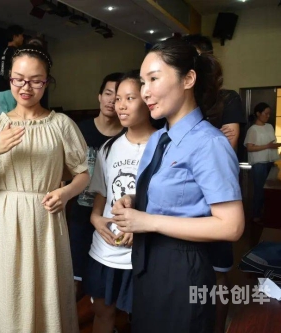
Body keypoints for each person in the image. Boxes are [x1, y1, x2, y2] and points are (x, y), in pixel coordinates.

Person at [112, 38, 245, 333]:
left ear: (188, 79)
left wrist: (148, 221)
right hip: (148, 262)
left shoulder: (209, 143)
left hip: (183, 270)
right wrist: (133, 200)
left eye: (154, 79)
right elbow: (164, 193)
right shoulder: (160, 138)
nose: (145, 91)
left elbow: (231, 226)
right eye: (142, 81)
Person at [0, 44, 90, 332]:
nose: (26, 87)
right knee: (9, 289)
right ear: (9, 78)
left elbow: (83, 175)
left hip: (47, 215)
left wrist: (66, 192)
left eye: (36, 80)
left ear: (47, 82)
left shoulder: (61, 124)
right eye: (18, 79)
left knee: (48, 288)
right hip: (7, 216)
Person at [183, 33, 247, 333]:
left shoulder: (228, 99)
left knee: (218, 276)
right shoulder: (176, 104)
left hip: (216, 201)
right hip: (183, 205)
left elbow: (227, 144)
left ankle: (218, 327)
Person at [85, 70, 157, 333]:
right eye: (117, 99)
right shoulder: (109, 148)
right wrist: (95, 218)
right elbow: (102, 191)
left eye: (130, 98)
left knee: (142, 318)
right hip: (106, 249)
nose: (121, 106)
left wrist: (140, 226)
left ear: (148, 101)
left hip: (144, 251)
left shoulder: (163, 146)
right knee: (102, 313)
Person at [68, 72, 124, 301]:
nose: (112, 100)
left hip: (113, 218)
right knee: (75, 278)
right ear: (99, 97)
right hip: (80, 215)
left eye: (119, 97)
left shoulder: (127, 136)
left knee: (108, 282)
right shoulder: (78, 131)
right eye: (108, 94)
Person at [244, 102, 281, 224]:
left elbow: (271, 144)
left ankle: (267, 214)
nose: (268, 115)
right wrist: (268, 146)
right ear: (258, 114)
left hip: (270, 161)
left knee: (269, 190)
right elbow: (250, 148)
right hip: (259, 162)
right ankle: (256, 215)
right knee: (259, 189)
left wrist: (273, 146)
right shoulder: (252, 129)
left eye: (269, 113)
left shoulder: (269, 126)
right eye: (266, 113)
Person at [0, 25, 24, 114]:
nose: (22, 38)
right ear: (15, 37)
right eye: (21, 36)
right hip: (11, 89)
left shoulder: (4, 51)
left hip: (1, 90)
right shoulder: (16, 52)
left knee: (4, 119)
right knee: (15, 118)